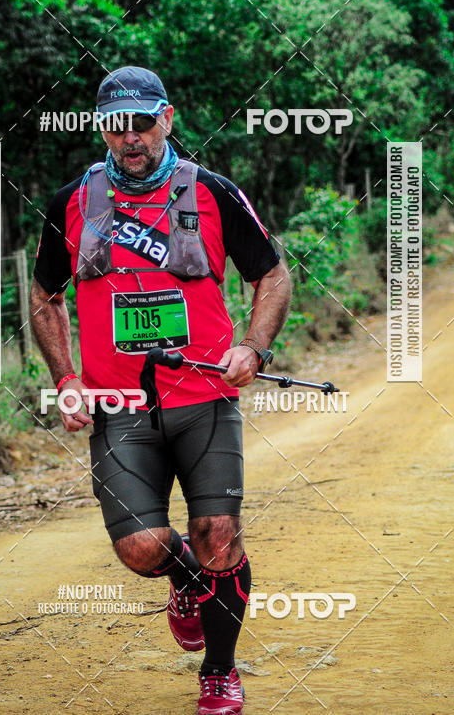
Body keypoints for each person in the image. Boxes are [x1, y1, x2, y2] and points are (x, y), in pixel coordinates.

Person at [30, 65, 291, 715]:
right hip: (119, 408)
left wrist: (252, 347)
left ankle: (220, 670)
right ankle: (184, 583)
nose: (131, 136)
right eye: (117, 125)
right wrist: (65, 378)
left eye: (143, 121)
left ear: (167, 117)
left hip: (204, 400)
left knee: (218, 532)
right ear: (101, 129)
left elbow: (274, 275)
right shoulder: (73, 202)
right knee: (141, 545)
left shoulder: (212, 192)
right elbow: (43, 296)